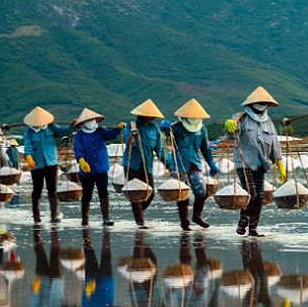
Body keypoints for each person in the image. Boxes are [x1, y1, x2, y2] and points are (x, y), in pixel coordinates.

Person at [224, 87, 287, 237]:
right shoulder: (240, 117)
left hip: (262, 164)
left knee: (260, 196)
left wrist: (280, 164)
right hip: (244, 162)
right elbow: (230, 135)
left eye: (264, 102)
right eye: (259, 102)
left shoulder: (268, 122)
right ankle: (243, 219)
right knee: (250, 193)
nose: (261, 104)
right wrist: (229, 126)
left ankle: (253, 228)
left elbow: (274, 143)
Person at [160, 99, 219, 231]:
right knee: (182, 194)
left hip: (195, 165)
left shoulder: (202, 130)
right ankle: (184, 222)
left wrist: (212, 164)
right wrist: (164, 130)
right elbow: (166, 142)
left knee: (202, 192)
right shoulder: (176, 128)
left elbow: (206, 149)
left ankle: (197, 216)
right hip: (179, 166)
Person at [122, 99, 172, 229]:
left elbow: (160, 149)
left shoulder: (154, 129)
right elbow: (128, 141)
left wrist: (170, 164)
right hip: (132, 165)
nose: (150, 117)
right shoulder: (131, 125)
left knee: (150, 193)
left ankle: (138, 214)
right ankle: (140, 221)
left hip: (147, 165)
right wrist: (131, 139)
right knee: (135, 192)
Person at [73, 108, 124, 227]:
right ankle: (85, 219)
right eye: (89, 120)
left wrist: (118, 129)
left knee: (103, 192)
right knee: (87, 193)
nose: (91, 122)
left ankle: (106, 218)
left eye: (93, 119)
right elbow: (78, 149)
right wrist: (81, 161)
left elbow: (111, 135)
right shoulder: (79, 136)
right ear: (83, 122)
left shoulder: (101, 132)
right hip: (86, 170)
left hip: (101, 168)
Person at [23, 107, 74, 223]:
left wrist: (72, 126)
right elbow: (28, 147)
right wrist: (29, 157)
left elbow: (64, 133)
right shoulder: (29, 132)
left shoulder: (51, 128)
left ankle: (54, 215)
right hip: (36, 165)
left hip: (51, 163)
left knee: (52, 189)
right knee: (37, 190)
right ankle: (36, 215)